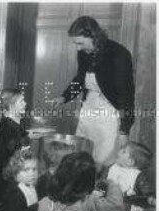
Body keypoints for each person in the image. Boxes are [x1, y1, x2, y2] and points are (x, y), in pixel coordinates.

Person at [53, 16, 135, 172]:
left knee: (104, 160)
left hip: (109, 113)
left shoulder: (119, 54)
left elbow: (126, 95)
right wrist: (65, 96)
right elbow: (80, 79)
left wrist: (124, 129)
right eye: (75, 43)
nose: (77, 48)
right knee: (83, 155)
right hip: (88, 110)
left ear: (94, 36)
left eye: (80, 43)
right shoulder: (84, 53)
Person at [38, 151, 124, 211]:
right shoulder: (87, 203)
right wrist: (111, 183)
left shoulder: (43, 203)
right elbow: (116, 206)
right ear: (89, 181)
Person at [101, 142, 155, 211]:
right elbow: (103, 182)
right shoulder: (112, 167)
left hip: (129, 204)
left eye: (124, 151)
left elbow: (146, 193)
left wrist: (150, 198)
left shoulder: (138, 176)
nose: (120, 150)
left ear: (130, 162)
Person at [0, 88, 30, 195]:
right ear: (11, 106)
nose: (25, 103)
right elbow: (11, 146)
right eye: (21, 101)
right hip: (8, 168)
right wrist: (26, 140)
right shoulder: (7, 123)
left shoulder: (15, 121)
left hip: (14, 165)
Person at [0, 146, 39, 211]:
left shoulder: (32, 185)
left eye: (34, 169)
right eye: (26, 170)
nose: (32, 173)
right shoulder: (13, 194)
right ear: (15, 171)